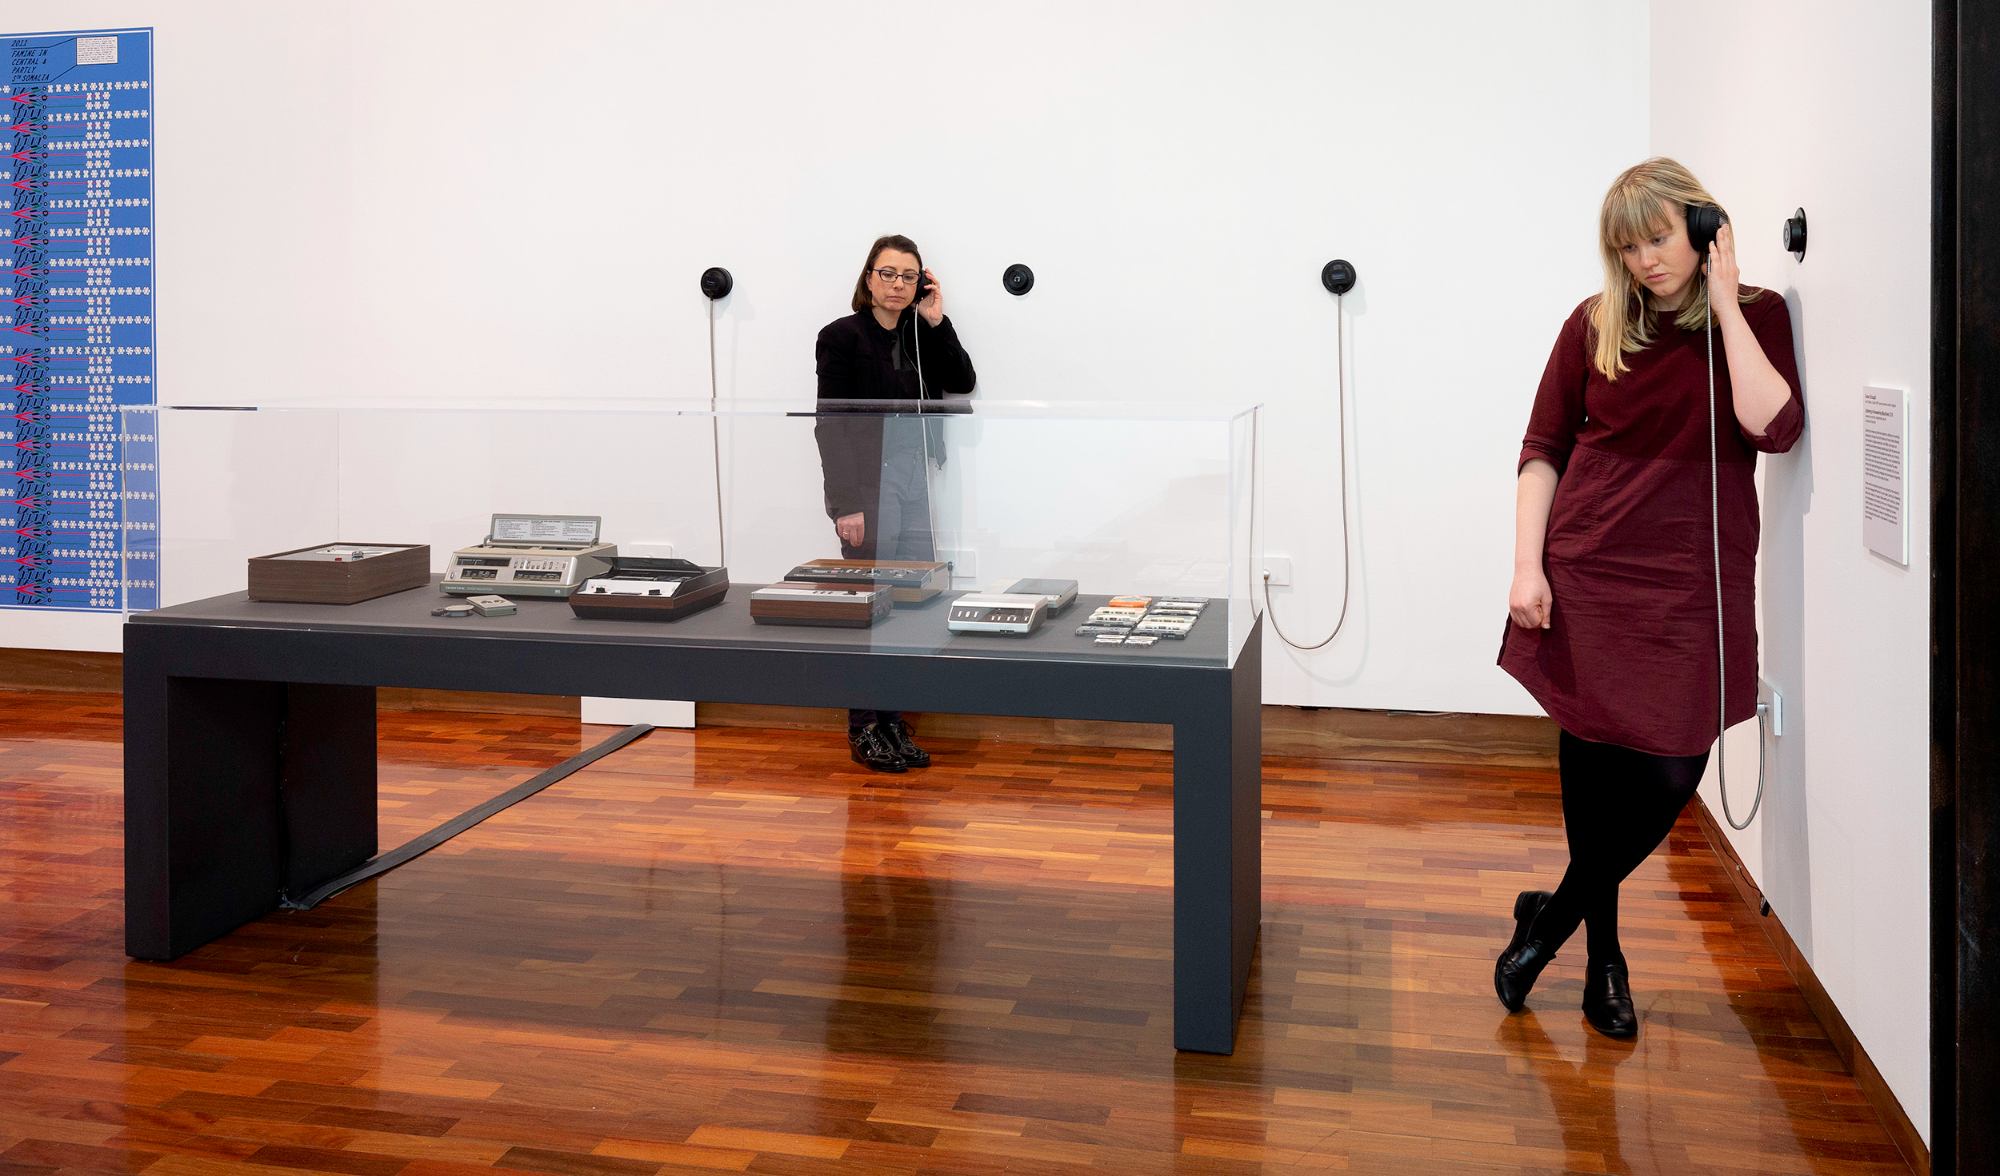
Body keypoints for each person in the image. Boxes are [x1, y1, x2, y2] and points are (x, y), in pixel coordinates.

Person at [1494, 158, 1804, 1038]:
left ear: (1704, 229)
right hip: (1592, 562)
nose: (1645, 262)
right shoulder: (1594, 326)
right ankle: (1604, 963)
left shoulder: (1759, 318)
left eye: (1660, 238)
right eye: (1627, 248)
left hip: (1691, 573)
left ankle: (1547, 921)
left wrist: (1729, 294)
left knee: (1673, 766)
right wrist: (1529, 567)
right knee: (1593, 762)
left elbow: (1774, 427)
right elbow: (1542, 448)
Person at [814, 234, 977, 772]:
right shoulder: (841, 337)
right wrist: (845, 505)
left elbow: (962, 381)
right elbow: (830, 424)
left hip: (915, 481)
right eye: (888, 274)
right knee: (870, 604)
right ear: (868, 278)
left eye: (909, 276)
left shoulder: (918, 333)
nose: (898, 285)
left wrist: (936, 321)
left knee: (909, 602)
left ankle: (891, 721)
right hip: (869, 483)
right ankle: (864, 726)